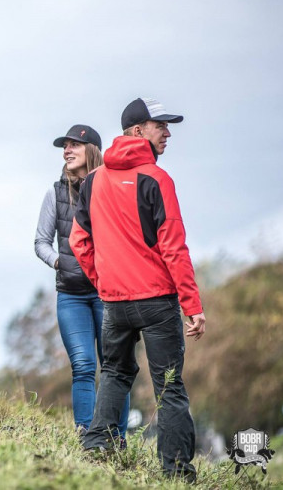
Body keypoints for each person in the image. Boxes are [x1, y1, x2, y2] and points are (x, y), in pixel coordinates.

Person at [70, 98, 207, 481]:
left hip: (115, 302)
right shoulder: (157, 180)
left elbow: (79, 240)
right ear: (136, 131)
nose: (167, 132)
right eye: (159, 125)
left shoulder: (94, 179)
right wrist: (191, 304)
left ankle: (96, 448)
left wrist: (105, 282)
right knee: (168, 385)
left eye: (168, 126)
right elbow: (174, 247)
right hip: (158, 302)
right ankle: (177, 472)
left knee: (114, 371)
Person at [34, 124, 129, 443]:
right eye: (65, 146)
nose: (67, 150)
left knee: (114, 366)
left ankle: (117, 436)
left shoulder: (112, 188)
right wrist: (59, 261)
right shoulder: (55, 191)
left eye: (75, 145)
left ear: (93, 152)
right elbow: (41, 241)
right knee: (84, 364)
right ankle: (86, 433)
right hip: (71, 295)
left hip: (108, 295)